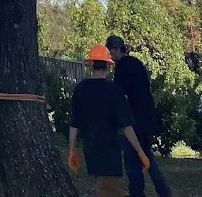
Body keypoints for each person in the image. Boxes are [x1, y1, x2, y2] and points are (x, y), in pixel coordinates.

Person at [68, 44, 151, 197]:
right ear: (108, 65)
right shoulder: (114, 90)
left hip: (90, 148)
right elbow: (126, 125)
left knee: (104, 187)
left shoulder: (80, 89)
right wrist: (140, 152)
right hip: (109, 150)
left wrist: (72, 151)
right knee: (109, 190)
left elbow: (74, 124)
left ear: (91, 64)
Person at [106, 36, 172, 197]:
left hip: (133, 121)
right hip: (146, 118)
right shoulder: (137, 63)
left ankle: (137, 193)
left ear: (117, 49)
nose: (110, 55)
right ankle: (163, 191)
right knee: (147, 156)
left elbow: (120, 96)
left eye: (110, 51)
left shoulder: (121, 67)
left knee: (132, 162)